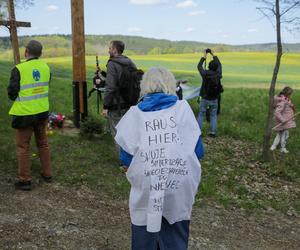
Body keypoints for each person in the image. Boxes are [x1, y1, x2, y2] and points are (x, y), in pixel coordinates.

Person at [114, 67, 204, 250]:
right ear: (170, 85)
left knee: (144, 231)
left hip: (147, 183)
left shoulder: (134, 114)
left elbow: (125, 158)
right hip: (178, 182)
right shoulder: (183, 109)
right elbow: (198, 150)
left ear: (144, 86)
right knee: (175, 233)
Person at [7, 40, 52, 191]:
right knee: (43, 143)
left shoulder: (18, 69)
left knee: (23, 147)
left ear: (26, 52)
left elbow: (12, 93)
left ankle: (25, 180)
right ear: (40, 53)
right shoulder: (46, 67)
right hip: (42, 112)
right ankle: (47, 173)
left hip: (25, 114)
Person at [102, 40, 137, 140]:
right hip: (130, 103)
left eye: (110, 48)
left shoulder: (112, 63)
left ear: (114, 49)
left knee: (118, 136)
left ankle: (120, 155)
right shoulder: (130, 62)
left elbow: (110, 87)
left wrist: (105, 106)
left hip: (116, 105)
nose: (108, 51)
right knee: (129, 134)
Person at [197, 49, 223, 137]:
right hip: (214, 98)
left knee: (201, 114)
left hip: (205, 97)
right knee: (213, 115)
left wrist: (204, 56)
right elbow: (219, 64)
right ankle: (212, 132)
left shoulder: (205, 73)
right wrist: (213, 54)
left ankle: (198, 132)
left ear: (209, 66)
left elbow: (199, 66)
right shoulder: (218, 73)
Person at [270, 86, 296, 153]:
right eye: (290, 94)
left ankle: (273, 147)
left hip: (285, 121)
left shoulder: (286, 100)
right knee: (285, 134)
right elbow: (277, 112)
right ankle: (282, 148)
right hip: (284, 122)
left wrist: (291, 117)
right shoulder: (283, 101)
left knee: (280, 134)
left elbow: (287, 111)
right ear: (287, 94)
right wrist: (283, 120)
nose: (291, 96)